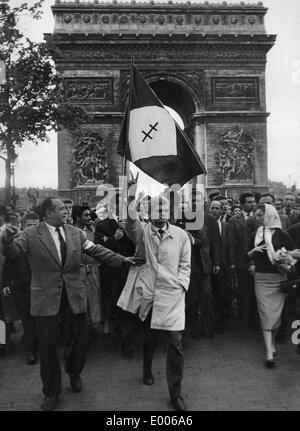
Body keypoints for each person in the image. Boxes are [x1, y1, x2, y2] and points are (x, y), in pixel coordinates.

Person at [1, 197, 140, 411]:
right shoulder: (30, 234)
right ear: (47, 213)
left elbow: (96, 250)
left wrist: (122, 259)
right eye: (60, 208)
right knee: (48, 348)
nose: (66, 211)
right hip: (46, 299)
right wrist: (7, 241)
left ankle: (74, 371)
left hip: (74, 296)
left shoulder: (76, 233)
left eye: (66, 208)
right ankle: (51, 392)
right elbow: (13, 252)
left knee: (83, 339)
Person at [118, 177, 191, 412]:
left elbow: (185, 265)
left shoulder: (181, 235)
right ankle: (147, 368)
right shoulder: (142, 232)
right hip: (150, 292)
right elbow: (130, 221)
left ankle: (175, 393)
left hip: (173, 295)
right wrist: (130, 193)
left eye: (164, 207)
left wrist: (181, 285)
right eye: (155, 207)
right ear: (148, 211)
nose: (160, 211)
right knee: (150, 338)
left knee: (176, 345)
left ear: (170, 211)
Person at [248, 203, 295, 367]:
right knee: (265, 314)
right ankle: (269, 352)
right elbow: (247, 254)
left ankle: (272, 343)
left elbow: (295, 253)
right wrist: (254, 252)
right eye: (256, 214)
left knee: (274, 315)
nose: (257, 217)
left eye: (260, 214)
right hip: (261, 279)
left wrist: (284, 258)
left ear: (269, 215)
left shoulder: (282, 234)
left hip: (278, 279)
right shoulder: (255, 234)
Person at [1, 212, 40, 365]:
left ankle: (39, 346)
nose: (33, 229)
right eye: (29, 225)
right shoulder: (17, 243)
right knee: (28, 321)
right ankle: (31, 351)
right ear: (23, 226)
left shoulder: (44, 243)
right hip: (22, 289)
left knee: (39, 322)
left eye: (36, 225)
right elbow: (8, 264)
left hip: (41, 288)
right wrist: (5, 284)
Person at [72, 205, 102, 335]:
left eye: (89, 215)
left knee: (95, 299)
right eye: (86, 215)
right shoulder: (70, 232)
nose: (89, 218)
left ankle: (94, 327)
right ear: (77, 217)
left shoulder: (92, 231)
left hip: (93, 271)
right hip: (78, 272)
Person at [229, 192, 256, 328]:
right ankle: (241, 320)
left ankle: (253, 320)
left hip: (256, 262)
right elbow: (231, 242)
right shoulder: (234, 220)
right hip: (241, 261)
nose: (252, 204)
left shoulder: (259, 218)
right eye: (249, 202)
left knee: (255, 292)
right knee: (242, 291)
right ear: (242, 204)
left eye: (253, 201)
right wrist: (232, 262)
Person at [210, 200, 235, 332]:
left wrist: (231, 263)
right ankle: (210, 321)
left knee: (222, 294)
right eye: (212, 208)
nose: (214, 211)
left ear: (221, 211)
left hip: (224, 266)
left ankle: (219, 322)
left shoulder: (226, 225)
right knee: (210, 294)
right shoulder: (205, 225)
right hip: (209, 266)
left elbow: (230, 244)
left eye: (217, 209)